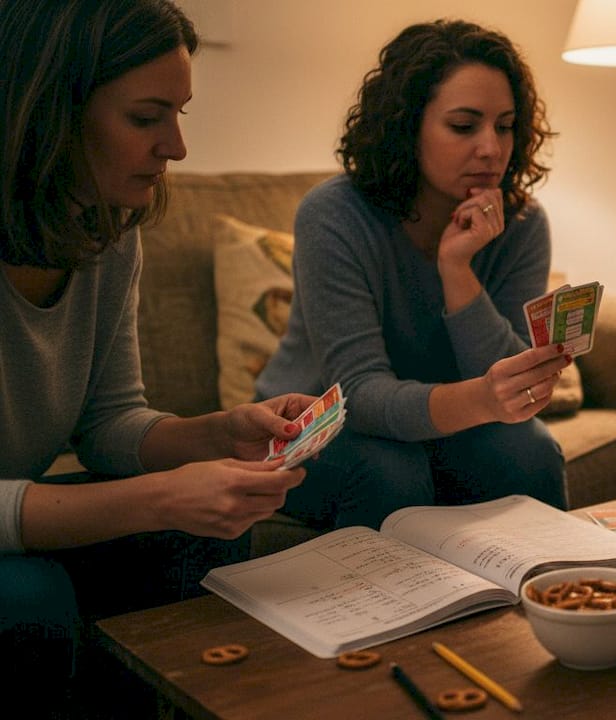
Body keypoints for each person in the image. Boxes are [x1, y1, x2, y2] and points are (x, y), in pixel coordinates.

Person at [0, 0, 313, 710]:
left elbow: (110, 422)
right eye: (146, 118)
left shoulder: (108, 229)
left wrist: (219, 433)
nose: (176, 147)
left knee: (203, 541)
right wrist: (160, 496)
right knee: (27, 597)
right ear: (48, 113)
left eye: (180, 115)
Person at [255, 19, 569, 532]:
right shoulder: (333, 215)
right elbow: (359, 396)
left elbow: (513, 393)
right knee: (390, 471)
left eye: (505, 126)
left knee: (529, 452)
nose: (492, 148)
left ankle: (551, 583)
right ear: (406, 127)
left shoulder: (522, 223)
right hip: (318, 424)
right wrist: (484, 398)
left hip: (448, 425)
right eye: (464, 126)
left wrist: (457, 269)